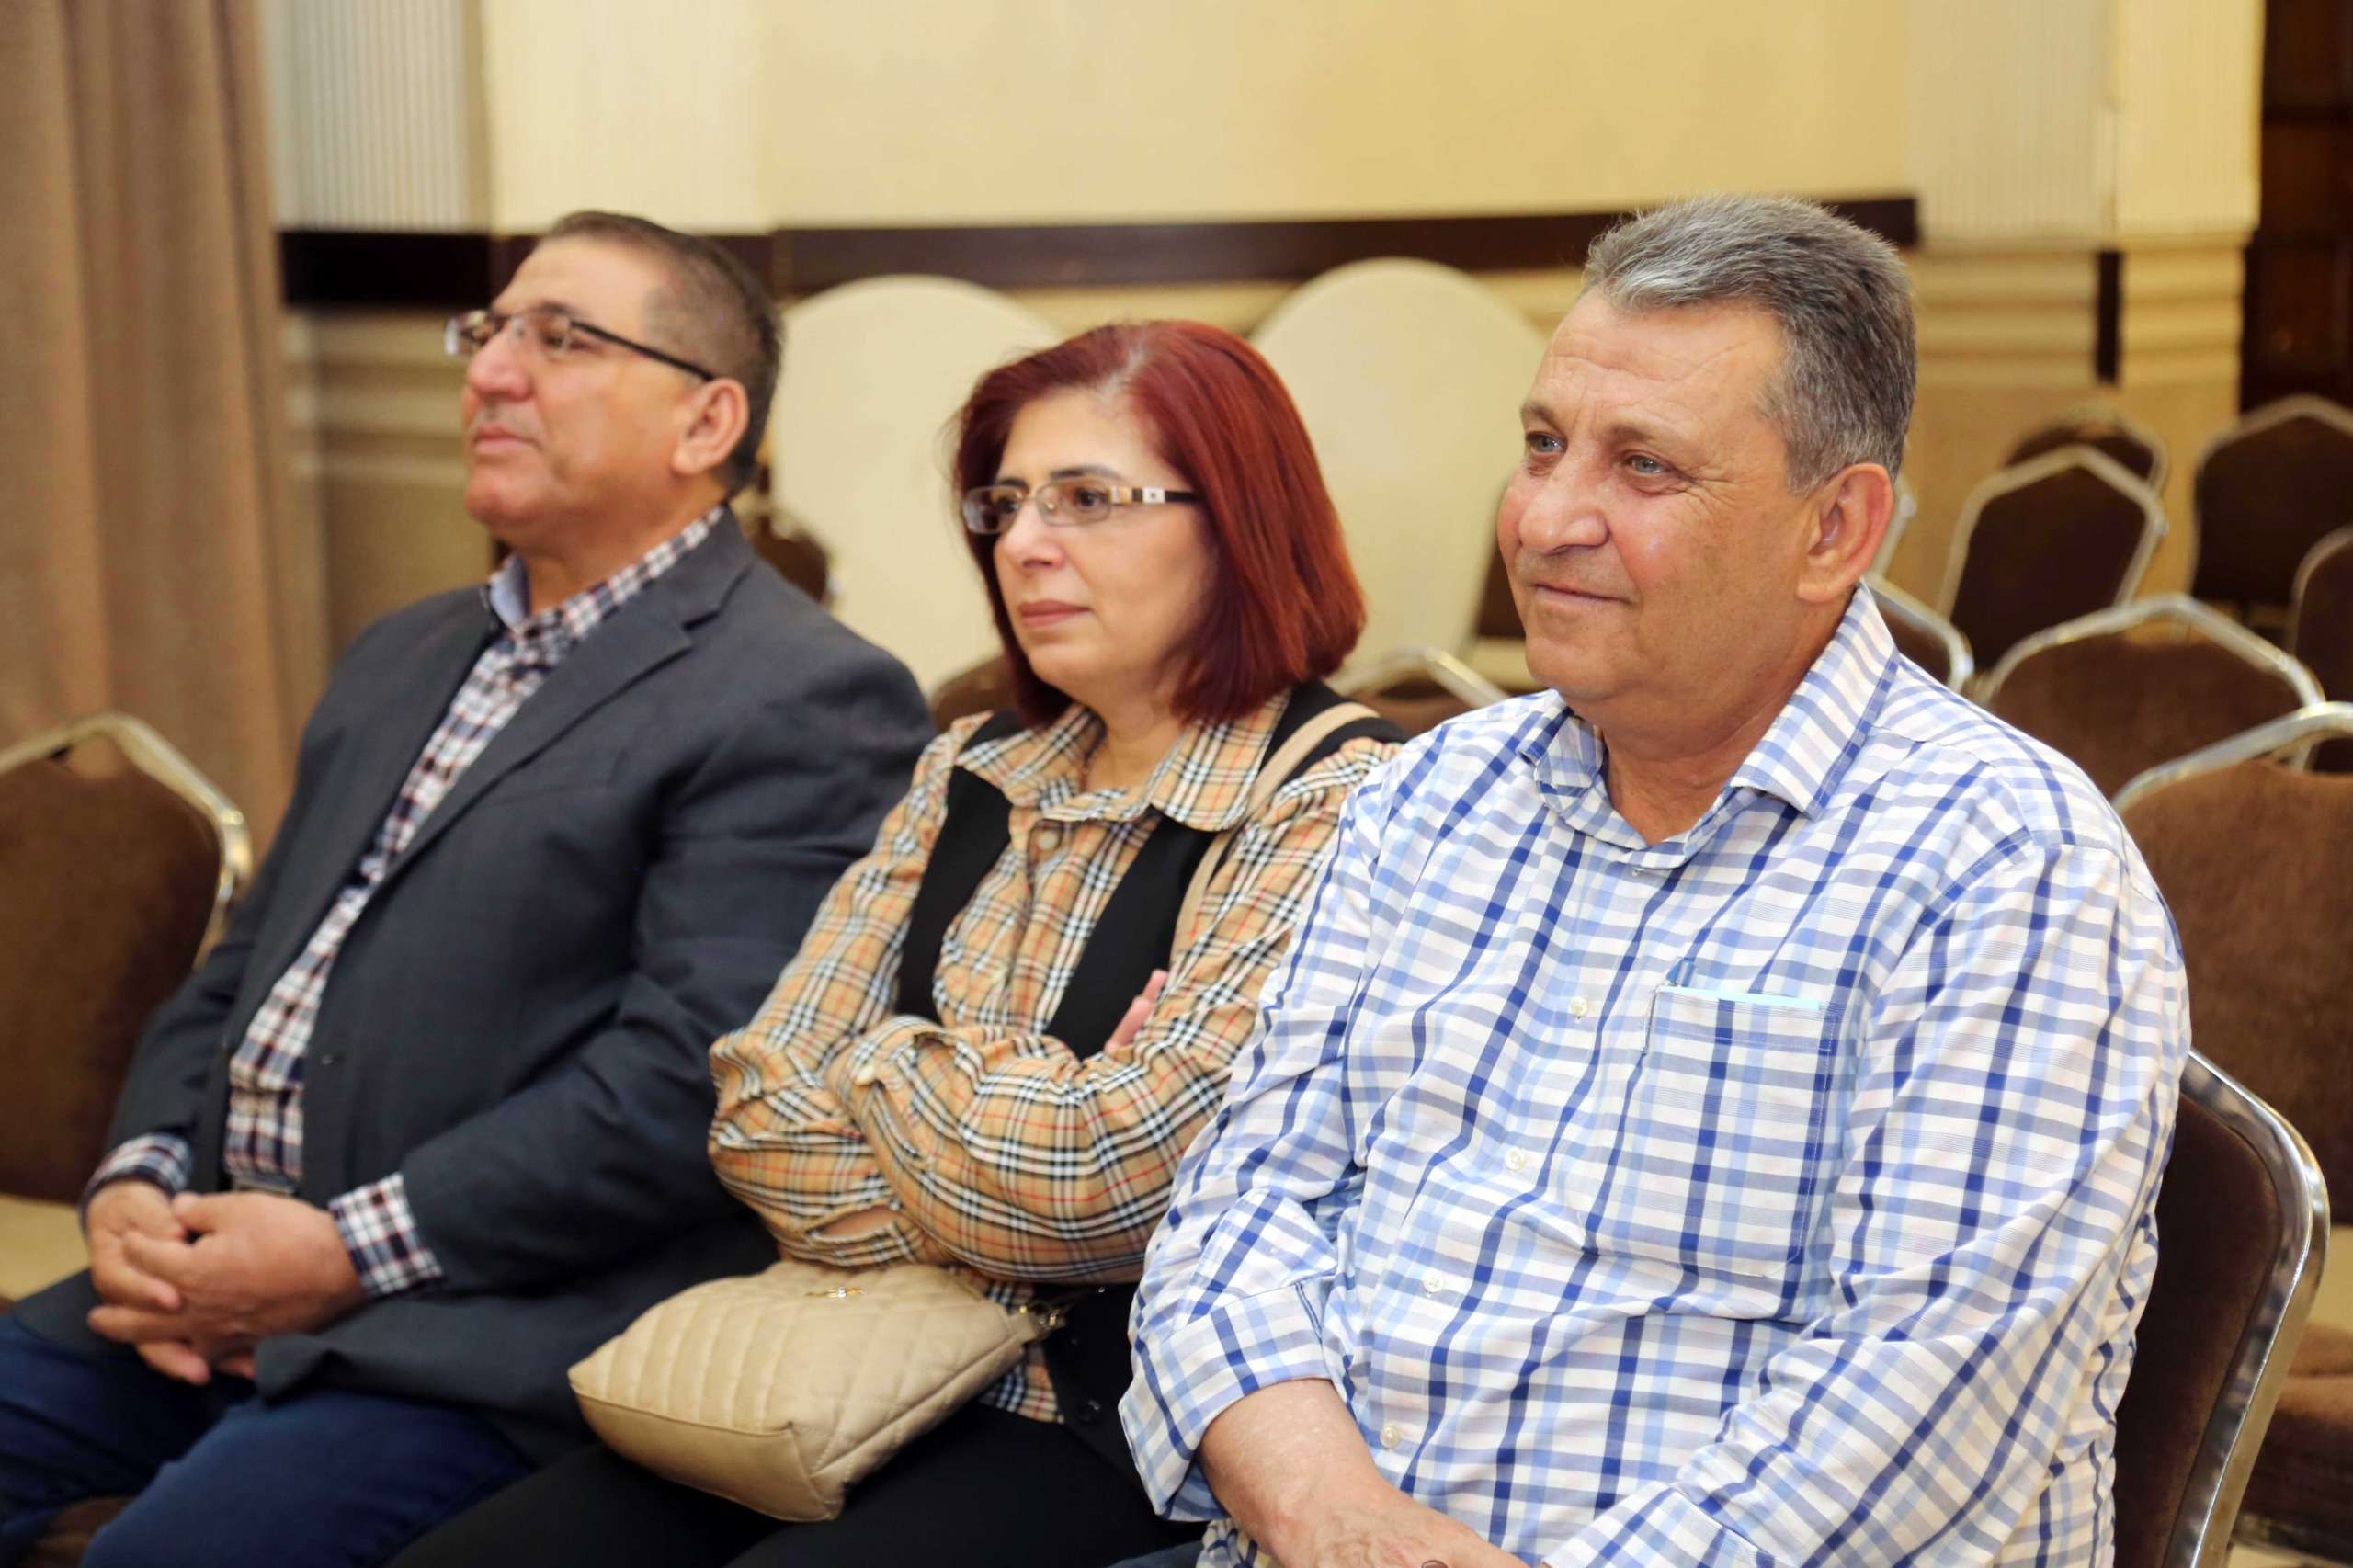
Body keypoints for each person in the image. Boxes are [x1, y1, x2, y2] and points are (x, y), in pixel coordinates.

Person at [1123, 196, 2189, 1568]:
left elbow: (1915, 1414)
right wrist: (1332, 1518)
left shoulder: (2004, 864)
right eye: (1542, 445)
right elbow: (1237, 1216)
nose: (1546, 519)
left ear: (1834, 529)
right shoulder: (1432, 796)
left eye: (1644, 467)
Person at [0, 211, 935, 1568]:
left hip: (481, 1330)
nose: (491, 373)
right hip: (208, 1281)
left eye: (561, 341)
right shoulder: (404, 652)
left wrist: (341, 1251)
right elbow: (246, 966)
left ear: (706, 420)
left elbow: (691, 1081)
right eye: (488, 334)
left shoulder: (804, 695)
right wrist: (138, 1184)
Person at [396, 320, 1403, 1568]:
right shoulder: (972, 765)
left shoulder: (1335, 792)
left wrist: (879, 1062)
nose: (1024, 545)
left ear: (1242, 523)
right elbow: (756, 1115)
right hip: (847, 1364)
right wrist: (1024, 1132)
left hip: (1109, 1420)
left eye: (1088, 500)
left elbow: (1115, 1186)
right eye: (1007, 505)